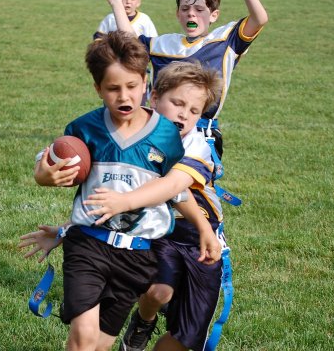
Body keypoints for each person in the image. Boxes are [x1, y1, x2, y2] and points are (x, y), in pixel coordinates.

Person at [25, 33, 221, 351]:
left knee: (100, 344)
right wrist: (44, 176)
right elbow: (49, 165)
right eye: (113, 88)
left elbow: (173, 190)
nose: (123, 96)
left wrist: (202, 227)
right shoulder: (84, 129)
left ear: (145, 85)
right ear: (98, 89)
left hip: (137, 255)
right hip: (89, 246)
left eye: (131, 86)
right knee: (84, 337)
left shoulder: (167, 137)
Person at [102, 0, 268, 158]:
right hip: (160, 130)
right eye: (185, 9)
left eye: (199, 9)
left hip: (201, 132)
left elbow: (260, 18)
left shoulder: (225, 41)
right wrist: (117, 5)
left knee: (188, 183)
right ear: (177, 14)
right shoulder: (164, 44)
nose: (191, 14)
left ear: (214, 15)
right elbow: (130, 41)